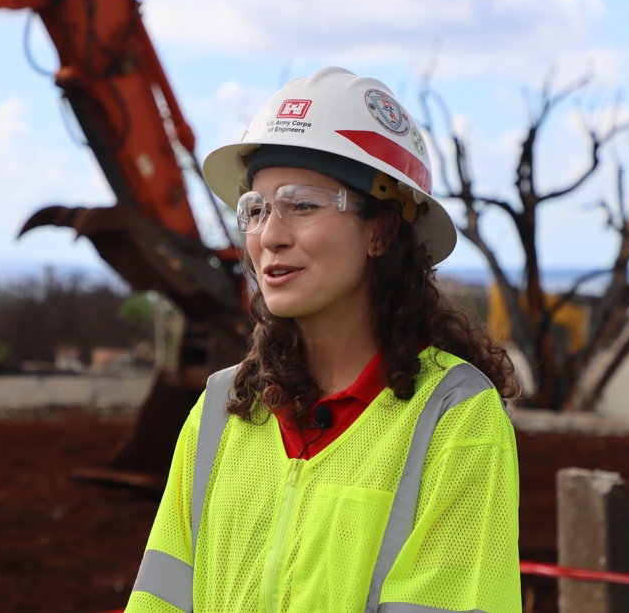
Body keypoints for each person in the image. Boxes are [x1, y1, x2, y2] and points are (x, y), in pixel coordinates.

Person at [125, 66, 521, 613]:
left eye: (303, 204)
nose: (269, 236)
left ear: (380, 230)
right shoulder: (221, 409)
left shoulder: (455, 419)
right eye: (256, 209)